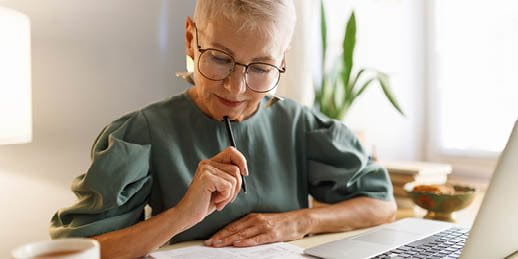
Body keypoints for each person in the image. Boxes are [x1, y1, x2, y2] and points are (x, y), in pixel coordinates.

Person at [50, 0, 396, 258]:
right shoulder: (141, 133)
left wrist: (297, 222)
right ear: (190, 39)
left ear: (283, 60)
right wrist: (183, 214)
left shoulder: (302, 126)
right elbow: (75, 252)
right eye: (218, 58)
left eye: (261, 67)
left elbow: (381, 205)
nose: (236, 89)